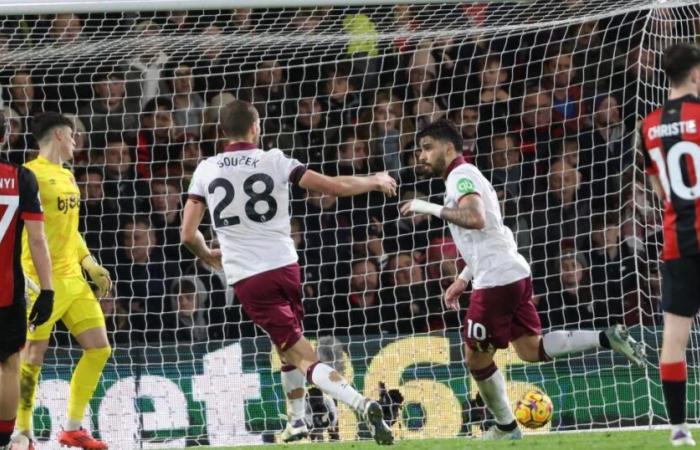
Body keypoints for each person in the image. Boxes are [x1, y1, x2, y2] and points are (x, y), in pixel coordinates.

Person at [400, 119, 644, 440]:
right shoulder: (470, 176)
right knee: (530, 349)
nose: (422, 156)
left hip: (496, 281)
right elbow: (498, 232)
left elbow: (476, 219)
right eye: (420, 150)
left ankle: (506, 427)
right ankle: (606, 337)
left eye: (427, 148)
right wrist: (462, 278)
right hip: (511, 271)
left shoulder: (460, 176)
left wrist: (426, 207)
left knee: (475, 358)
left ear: (449, 147)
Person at [181, 100, 397, 445]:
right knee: (285, 345)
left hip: (251, 278)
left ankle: (361, 404)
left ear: (222, 132)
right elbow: (333, 187)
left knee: (300, 354)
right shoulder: (277, 159)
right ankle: (297, 423)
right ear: (257, 127)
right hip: (286, 268)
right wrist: (374, 179)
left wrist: (208, 255)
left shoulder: (206, 169)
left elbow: (188, 234)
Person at [18, 112, 112, 450]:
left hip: (74, 281)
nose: (76, 142)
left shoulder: (68, 176)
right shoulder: (29, 175)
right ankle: (23, 432)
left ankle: (72, 428)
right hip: (41, 280)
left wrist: (89, 263)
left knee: (99, 348)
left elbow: (71, 233)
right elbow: (21, 231)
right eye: (73, 136)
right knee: (32, 358)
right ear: (60, 135)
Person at [640, 42, 700, 447]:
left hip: (678, 243)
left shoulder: (648, 125)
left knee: (673, 339)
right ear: (695, 73)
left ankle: (678, 430)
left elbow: (659, 187)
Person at [0, 111, 54, 450]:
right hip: (6, 293)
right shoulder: (21, 178)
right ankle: (4, 439)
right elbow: (37, 240)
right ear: (5, 136)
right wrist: (47, 289)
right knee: (8, 362)